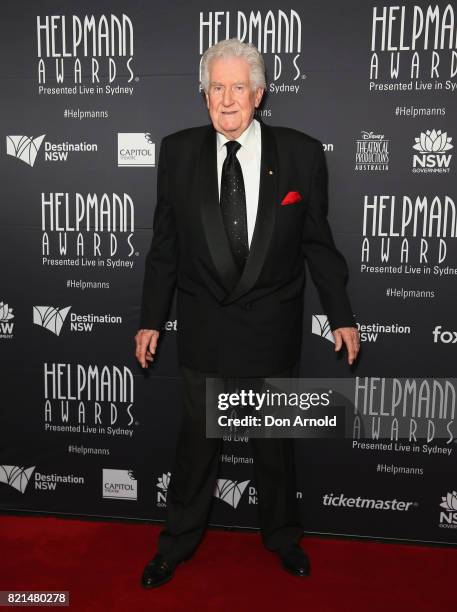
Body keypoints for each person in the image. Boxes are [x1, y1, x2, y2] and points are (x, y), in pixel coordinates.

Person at [135, 38, 360, 588]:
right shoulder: (179, 152)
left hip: (271, 327)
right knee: (195, 450)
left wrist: (342, 315)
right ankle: (176, 544)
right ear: (204, 94)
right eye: (217, 87)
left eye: (238, 87)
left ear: (259, 94)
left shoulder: (303, 155)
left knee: (274, 451)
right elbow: (164, 246)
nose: (227, 99)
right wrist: (149, 318)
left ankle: (283, 538)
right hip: (206, 327)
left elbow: (318, 246)